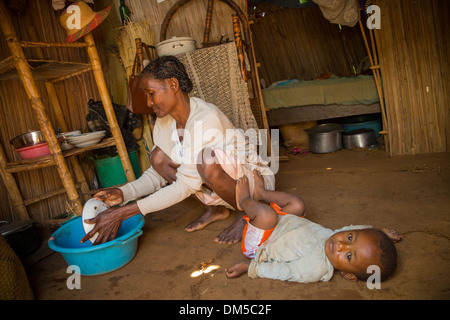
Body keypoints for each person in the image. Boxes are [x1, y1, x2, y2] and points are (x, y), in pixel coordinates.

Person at [81, 55, 275, 245]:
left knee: (206, 161)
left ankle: (247, 213)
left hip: (252, 184)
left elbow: (184, 185)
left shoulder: (205, 118)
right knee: (158, 158)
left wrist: (121, 213)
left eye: (151, 93)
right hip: (219, 186)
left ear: (173, 85)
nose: (148, 102)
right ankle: (217, 209)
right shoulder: (164, 121)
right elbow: (158, 174)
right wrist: (124, 193)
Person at [225, 170, 402, 283]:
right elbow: (358, 229)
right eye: (349, 238)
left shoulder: (315, 268)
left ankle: (243, 201)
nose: (341, 245)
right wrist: (380, 232)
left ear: (348, 275)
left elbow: (283, 271)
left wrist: (249, 267)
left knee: (267, 215)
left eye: (349, 256)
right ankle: (263, 193)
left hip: (261, 244)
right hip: (284, 222)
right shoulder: (335, 237)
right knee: (298, 205)